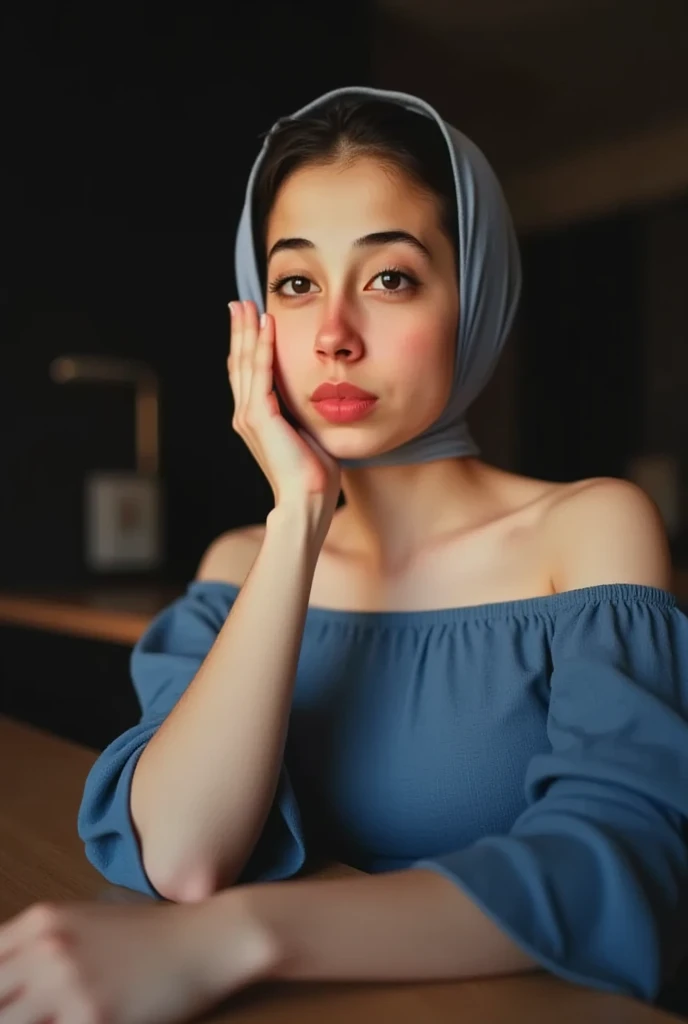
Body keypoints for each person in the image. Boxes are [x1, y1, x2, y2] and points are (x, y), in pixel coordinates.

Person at [2, 84, 688, 1024]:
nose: (332, 335)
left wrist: (240, 937)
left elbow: (618, 866)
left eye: (390, 278)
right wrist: (300, 517)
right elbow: (184, 854)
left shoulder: (589, 530)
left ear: (476, 295)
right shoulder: (242, 561)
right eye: (295, 283)